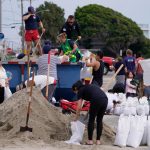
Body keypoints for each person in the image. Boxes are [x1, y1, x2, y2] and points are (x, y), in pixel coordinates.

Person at [72, 80, 108, 145]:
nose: (76, 94)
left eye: (75, 92)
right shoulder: (88, 87)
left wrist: (76, 117)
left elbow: (79, 107)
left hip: (96, 99)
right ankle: (98, 141)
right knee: (99, 120)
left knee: (91, 120)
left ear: (76, 89)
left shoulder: (80, 90)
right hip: (105, 99)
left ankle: (90, 141)